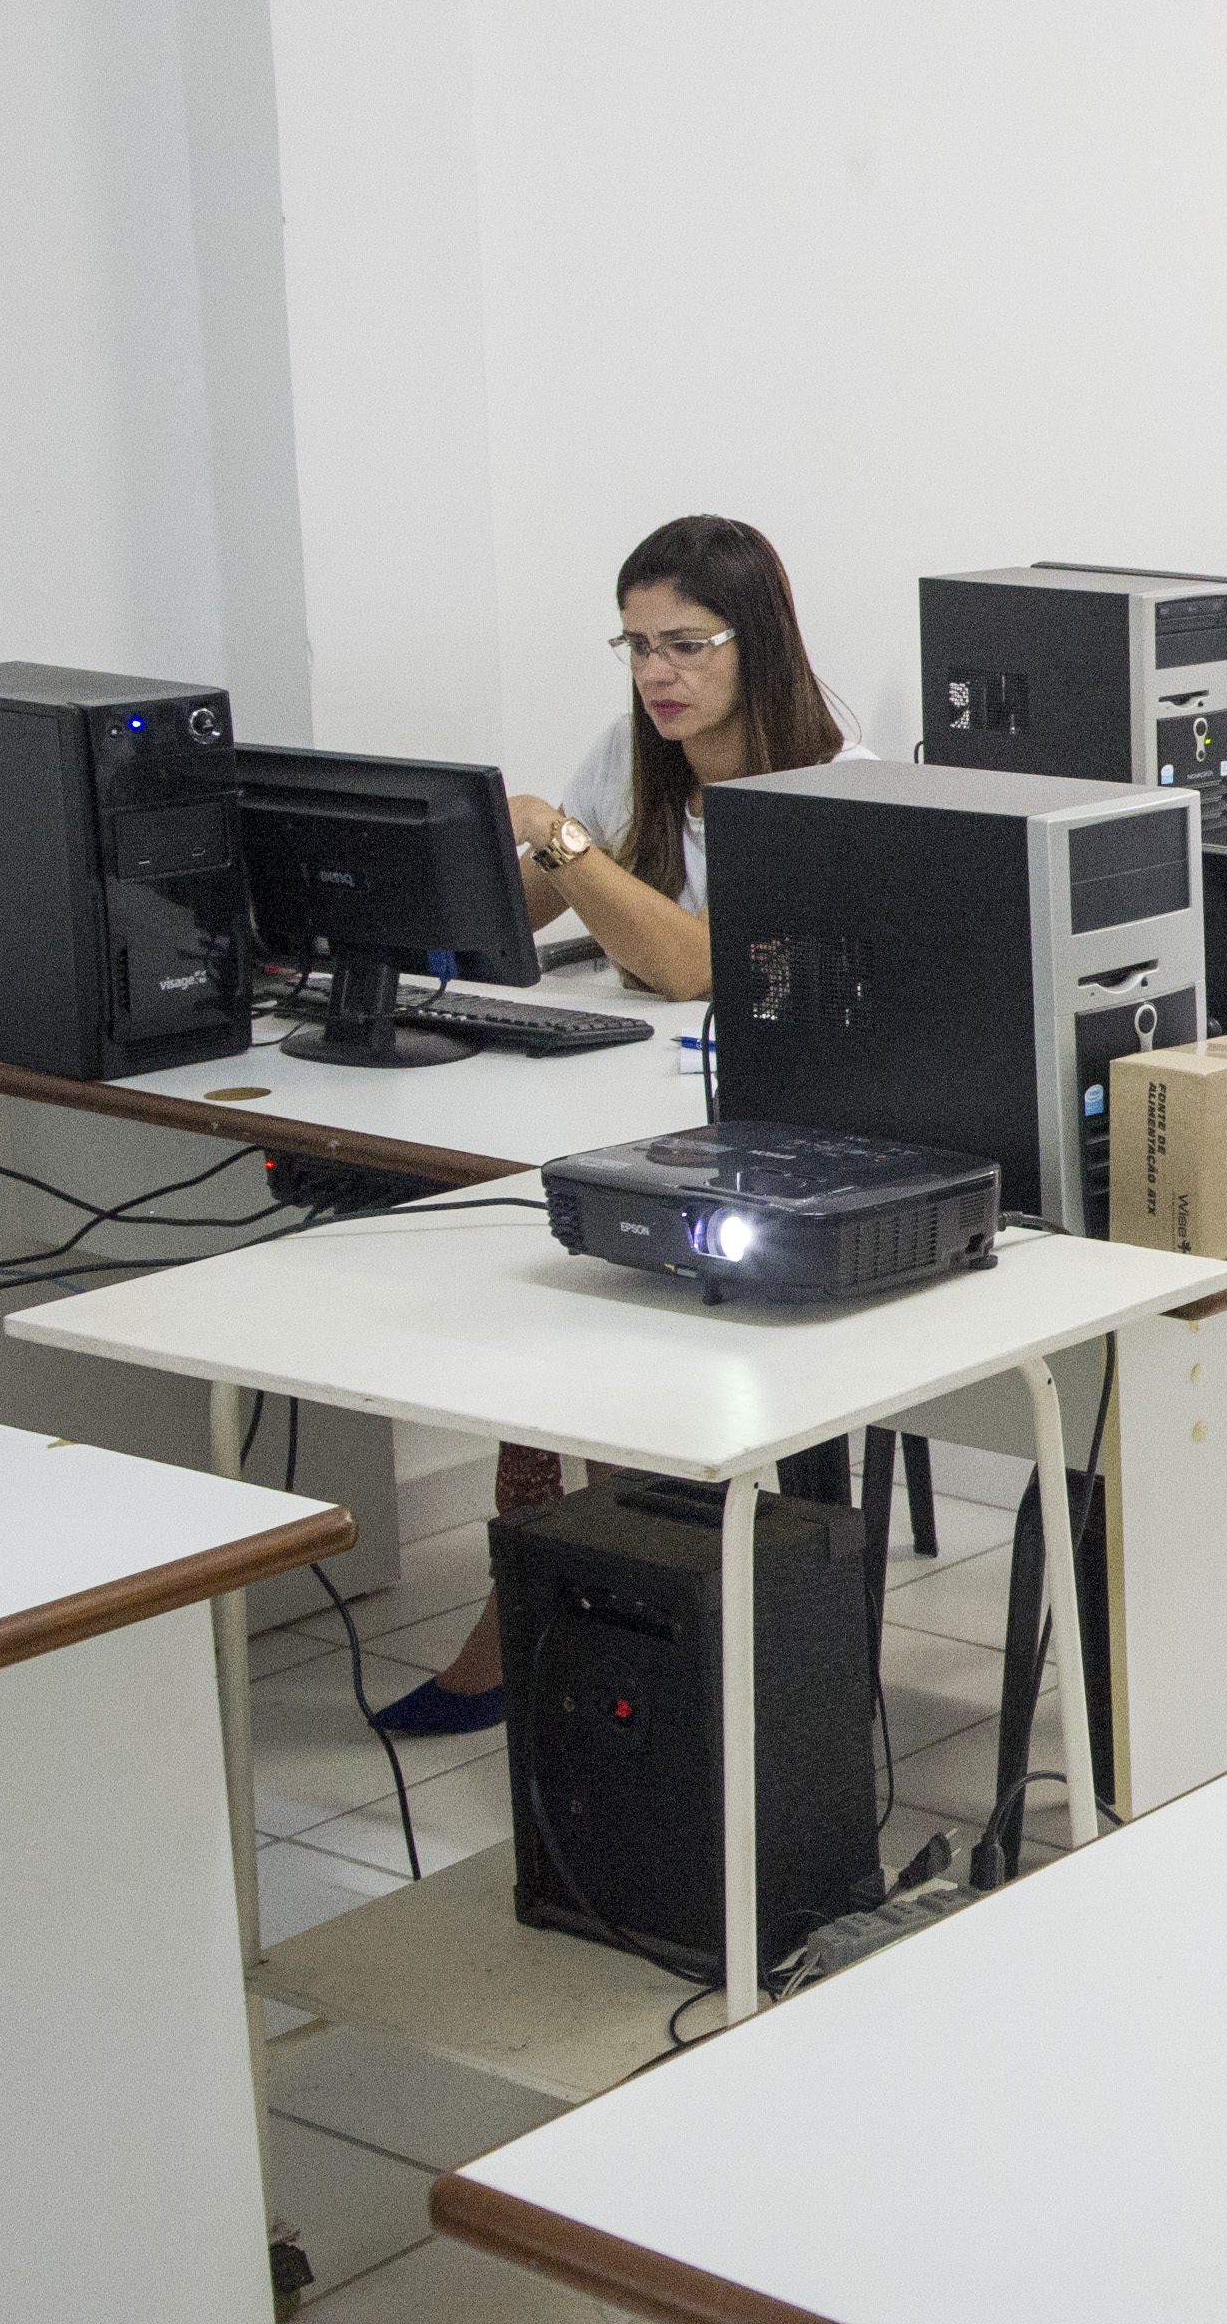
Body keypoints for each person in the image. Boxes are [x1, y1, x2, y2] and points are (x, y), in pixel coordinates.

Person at [369, 515, 869, 1735]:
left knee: (599, 1308)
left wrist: (564, 834)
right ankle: (555, 1595)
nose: (658, 675)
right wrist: (441, 877)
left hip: (788, 1145)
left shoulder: (832, 787)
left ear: (758, 646)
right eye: (637, 646)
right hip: (641, 1110)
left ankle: (573, 1606)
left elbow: (693, 962)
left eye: (686, 645)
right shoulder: (635, 754)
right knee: (541, 1294)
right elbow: (522, 912)